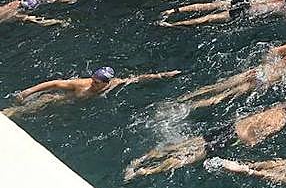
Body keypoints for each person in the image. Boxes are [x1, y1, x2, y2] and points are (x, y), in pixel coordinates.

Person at [124, 89, 286, 180]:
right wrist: (251, 144)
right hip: (233, 138)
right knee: (188, 158)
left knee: (187, 143)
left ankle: (142, 158)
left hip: (230, 126)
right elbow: (253, 139)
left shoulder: (279, 107)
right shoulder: (280, 121)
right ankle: (146, 171)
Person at [5, 66, 181, 118]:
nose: (94, 84)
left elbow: (139, 78)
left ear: (107, 82)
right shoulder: (81, 84)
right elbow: (55, 83)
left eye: (98, 83)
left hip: (77, 104)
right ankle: (9, 112)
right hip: (65, 98)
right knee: (44, 102)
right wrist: (28, 91)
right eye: (94, 80)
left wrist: (163, 75)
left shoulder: (113, 84)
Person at [0, 0, 76, 27]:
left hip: (15, 13)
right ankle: (64, 0)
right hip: (22, 2)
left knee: (35, 21)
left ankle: (59, 22)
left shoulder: (9, 17)